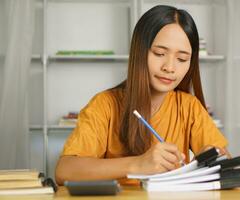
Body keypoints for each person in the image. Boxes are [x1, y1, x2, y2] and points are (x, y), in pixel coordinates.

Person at [55, 5, 230, 186]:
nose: (169, 67)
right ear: (139, 51)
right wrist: (137, 164)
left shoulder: (189, 107)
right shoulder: (104, 105)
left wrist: (214, 156)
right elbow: (64, 170)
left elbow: (226, 165)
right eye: (160, 53)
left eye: (182, 59)